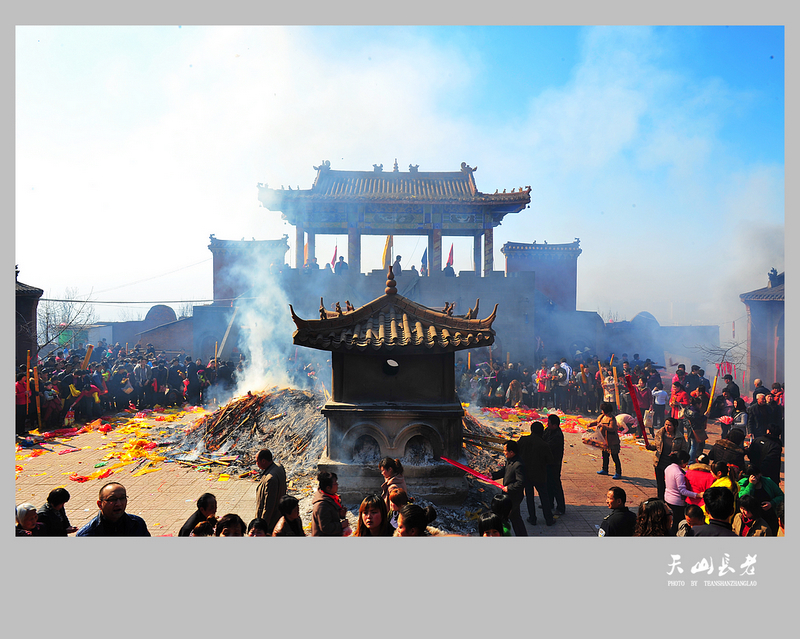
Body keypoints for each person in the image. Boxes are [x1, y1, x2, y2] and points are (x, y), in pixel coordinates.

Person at [77, 482, 150, 536]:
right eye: (112, 499)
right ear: (100, 504)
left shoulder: (137, 524)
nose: (118, 503)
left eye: (122, 498)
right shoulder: (88, 533)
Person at [517, 421, 555, 526]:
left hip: (526, 474)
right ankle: (549, 519)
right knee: (544, 497)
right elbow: (550, 460)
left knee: (529, 496)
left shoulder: (523, 440)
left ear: (531, 430)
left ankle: (532, 518)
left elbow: (517, 453)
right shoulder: (544, 444)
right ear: (542, 432)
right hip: (540, 475)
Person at [490, 439, 528, 536]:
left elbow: (521, 482)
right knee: (515, 518)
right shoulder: (510, 461)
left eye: (505, 451)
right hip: (508, 495)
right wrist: (492, 476)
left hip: (514, 496)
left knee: (509, 517)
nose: (504, 452)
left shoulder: (518, 465)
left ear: (511, 452)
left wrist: (509, 488)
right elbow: (504, 472)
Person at [664, 449, 702, 536]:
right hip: (677, 502)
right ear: (681, 461)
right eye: (686, 462)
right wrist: (697, 495)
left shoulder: (668, 468)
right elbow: (682, 491)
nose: (687, 464)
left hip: (668, 498)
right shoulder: (679, 473)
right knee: (678, 523)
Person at [737, 465, 783, 535]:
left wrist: (771, 503)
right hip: (751, 519)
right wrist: (751, 485)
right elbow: (743, 498)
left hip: (769, 517)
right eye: (753, 475)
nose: (756, 477)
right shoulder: (743, 483)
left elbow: (781, 495)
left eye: (757, 475)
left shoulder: (768, 482)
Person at [254, 448, 287, 534]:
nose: (256, 464)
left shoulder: (270, 479)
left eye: (257, 461)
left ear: (264, 461)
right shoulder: (279, 467)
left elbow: (268, 505)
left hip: (271, 521)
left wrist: (263, 525)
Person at [311, 471, 349, 536]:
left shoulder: (331, 497)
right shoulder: (322, 505)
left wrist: (340, 515)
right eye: (335, 483)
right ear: (328, 488)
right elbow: (325, 528)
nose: (337, 485)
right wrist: (341, 525)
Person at [745, 423, 783, 487]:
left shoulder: (757, 440)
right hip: (769, 477)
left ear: (768, 431)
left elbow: (750, 454)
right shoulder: (776, 446)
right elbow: (770, 461)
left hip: (753, 473)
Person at [543, 413, 566, 515]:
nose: (547, 425)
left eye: (549, 423)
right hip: (547, 462)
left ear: (555, 425)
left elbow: (547, 446)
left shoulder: (557, 435)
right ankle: (550, 503)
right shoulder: (548, 431)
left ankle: (561, 507)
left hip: (555, 463)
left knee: (556, 485)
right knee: (548, 484)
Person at [594, 402, 622, 479]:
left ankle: (618, 472)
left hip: (612, 441)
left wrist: (603, 426)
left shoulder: (612, 418)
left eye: (603, 410)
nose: (602, 411)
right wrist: (590, 424)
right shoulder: (602, 416)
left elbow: (612, 428)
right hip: (604, 440)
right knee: (605, 456)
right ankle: (605, 469)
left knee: (615, 457)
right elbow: (597, 422)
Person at [684, 396, 708, 463]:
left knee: (692, 445)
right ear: (697, 404)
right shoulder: (695, 413)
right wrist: (705, 417)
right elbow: (699, 421)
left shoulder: (687, 410)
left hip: (690, 429)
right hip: (695, 431)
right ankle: (691, 461)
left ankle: (690, 459)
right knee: (694, 446)